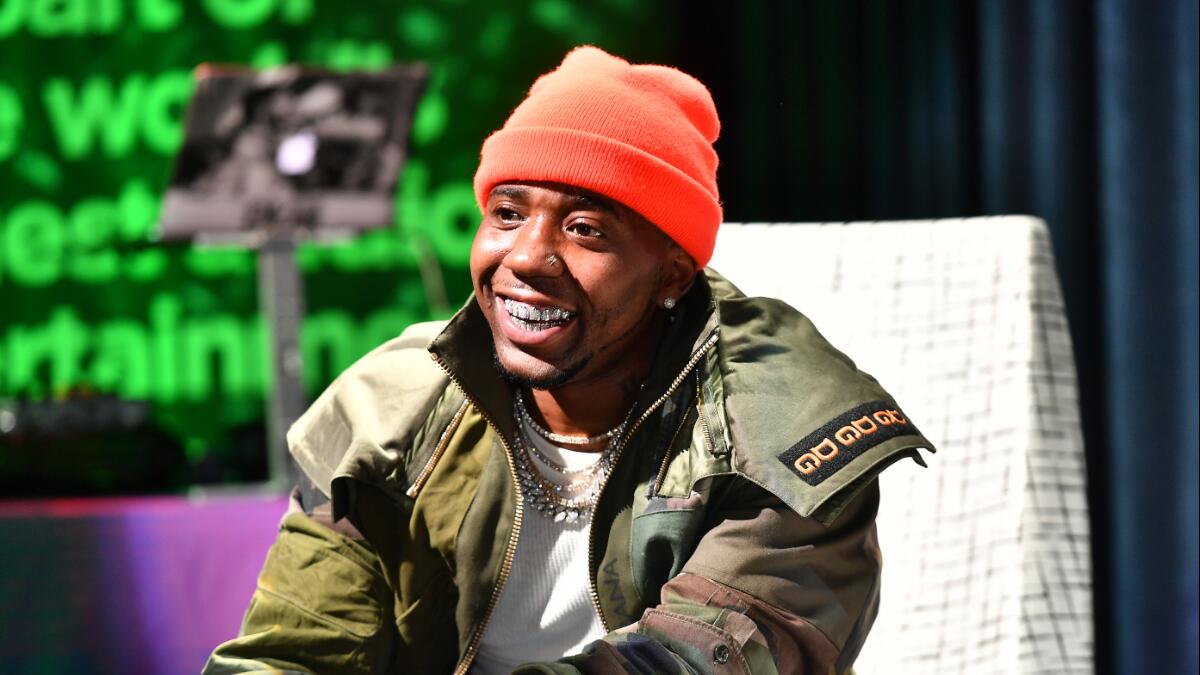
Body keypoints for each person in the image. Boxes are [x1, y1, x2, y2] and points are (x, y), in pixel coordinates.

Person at [204, 45, 934, 675]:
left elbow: (702, 658)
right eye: (507, 213)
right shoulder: (396, 409)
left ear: (672, 273)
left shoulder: (779, 423)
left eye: (585, 228)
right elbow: (294, 649)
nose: (526, 257)